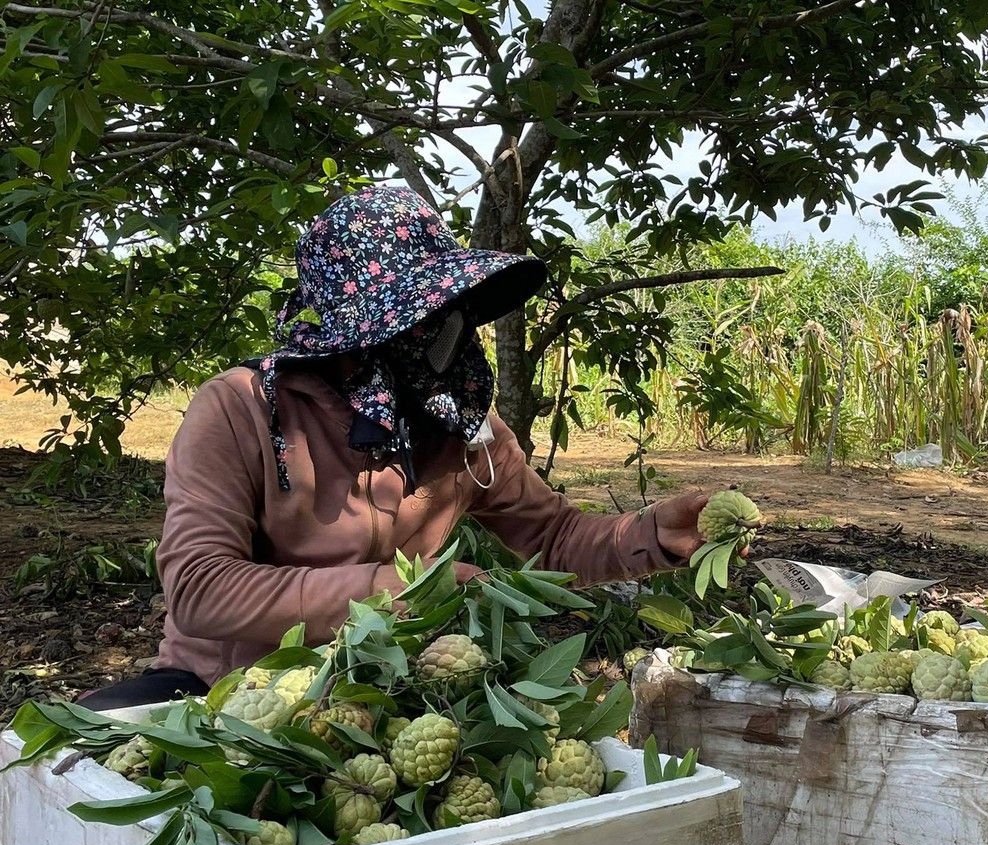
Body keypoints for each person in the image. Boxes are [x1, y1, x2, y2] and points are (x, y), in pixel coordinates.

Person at [79, 187, 707, 710]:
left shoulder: (457, 422)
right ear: (351, 327)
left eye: (447, 313)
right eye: (417, 318)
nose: (441, 336)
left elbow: (554, 534)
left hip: (382, 687)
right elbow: (201, 587)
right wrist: (401, 593)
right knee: (71, 743)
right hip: (226, 690)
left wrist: (651, 534)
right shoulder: (245, 409)